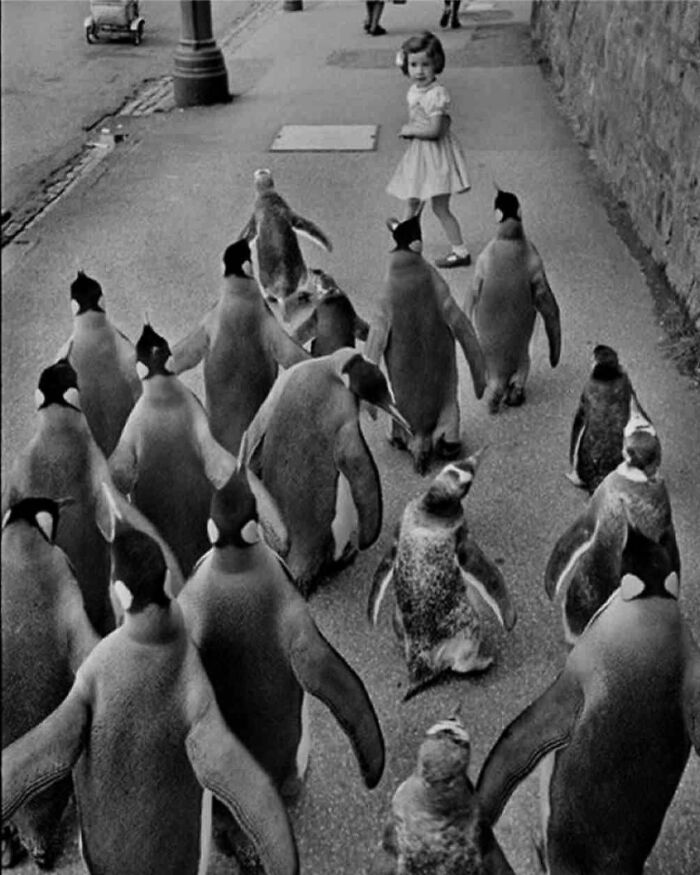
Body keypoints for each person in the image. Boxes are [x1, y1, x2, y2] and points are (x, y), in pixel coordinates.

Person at [387, 31, 472, 268]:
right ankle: (406, 239)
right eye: (413, 64)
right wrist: (414, 129)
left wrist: (410, 130)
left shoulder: (436, 94)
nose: (419, 71)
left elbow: (435, 130)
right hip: (421, 153)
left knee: (439, 207)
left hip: (436, 156)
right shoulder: (416, 90)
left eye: (426, 64)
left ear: (437, 64)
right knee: (413, 198)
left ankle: (460, 251)